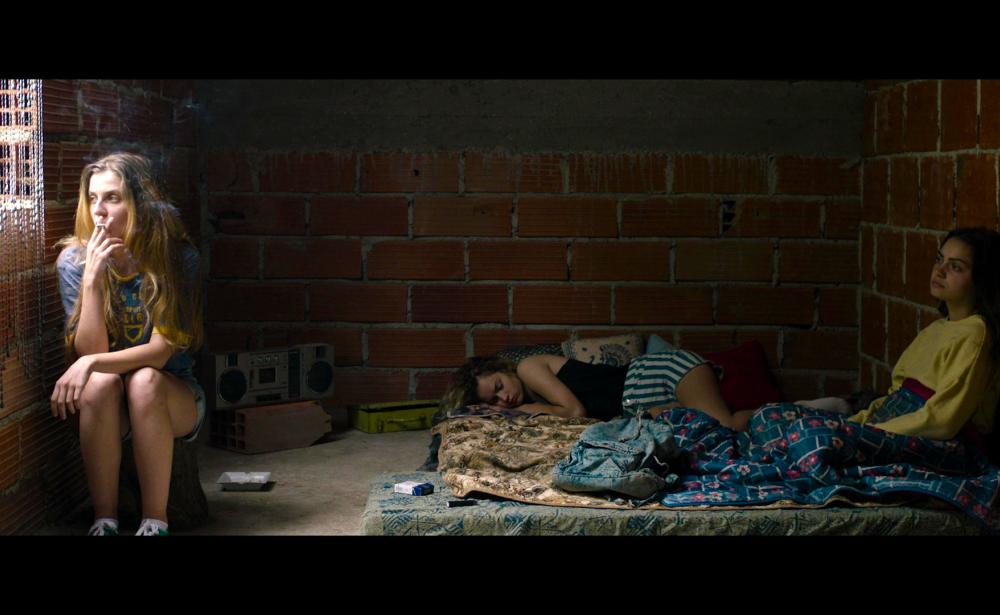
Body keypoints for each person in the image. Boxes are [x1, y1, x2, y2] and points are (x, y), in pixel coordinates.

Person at [52, 152, 204, 537]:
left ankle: (155, 521)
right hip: (107, 405)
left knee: (144, 380)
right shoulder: (74, 261)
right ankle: (105, 520)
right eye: (92, 198)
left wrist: (88, 364)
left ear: (141, 202)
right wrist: (92, 281)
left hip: (173, 396)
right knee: (100, 383)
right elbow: (92, 353)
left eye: (113, 198)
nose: (99, 210)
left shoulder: (177, 257)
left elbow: (160, 353)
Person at [800, 227, 1000, 444]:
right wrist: (856, 423)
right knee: (782, 419)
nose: (939, 271)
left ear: (982, 279)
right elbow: (895, 397)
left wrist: (867, 432)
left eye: (955, 267)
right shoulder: (934, 329)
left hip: (933, 442)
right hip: (889, 426)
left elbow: (942, 421)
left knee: (812, 441)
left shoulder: (976, 334)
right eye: (939, 259)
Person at [438, 348, 755, 431]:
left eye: (498, 386)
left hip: (653, 376)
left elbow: (575, 412)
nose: (504, 398)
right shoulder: (533, 407)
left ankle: (780, 412)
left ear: (503, 369)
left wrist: (519, 411)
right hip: (640, 407)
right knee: (707, 435)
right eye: (494, 400)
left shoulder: (527, 367)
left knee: (723, 426)